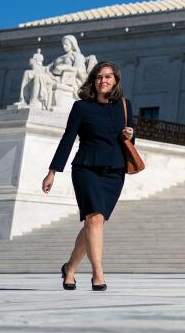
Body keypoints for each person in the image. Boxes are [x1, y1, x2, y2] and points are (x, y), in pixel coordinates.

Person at [42, 61, 135, 291]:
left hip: (114, 171)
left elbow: (129, 143)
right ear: (93, 81)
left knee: (94, 223)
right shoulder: (81, 107)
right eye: (99, 77)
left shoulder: (124, 105)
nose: (103, 80)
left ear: (116, 80)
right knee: (93, 219)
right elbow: (67, 139)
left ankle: (70, 268)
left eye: (108, 77)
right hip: (86, 168)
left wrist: (131, 135)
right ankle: (98, 273)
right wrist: (52, 172)